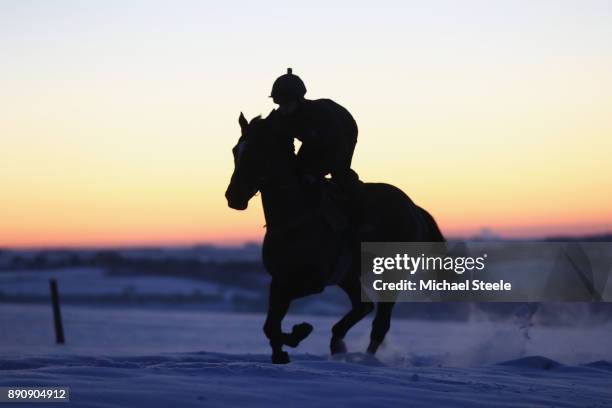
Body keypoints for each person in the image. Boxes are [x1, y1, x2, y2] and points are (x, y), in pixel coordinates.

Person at [268, 68, 363, 227]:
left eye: (287, 103)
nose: (283, 108)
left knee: (340, 175)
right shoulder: (280, 117)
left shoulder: (321, 114)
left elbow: (337, 149)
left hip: (342, 134)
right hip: (312, 140)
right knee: (298, 172)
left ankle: (362, 218)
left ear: (299, 100)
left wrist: (316, 173)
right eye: (279, 104)